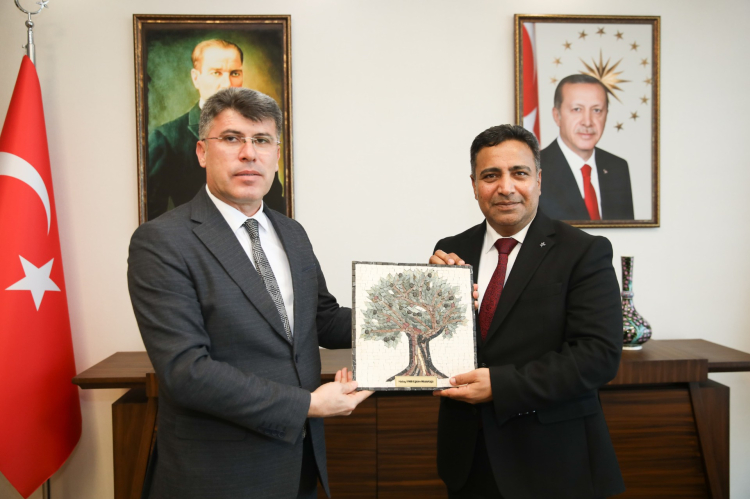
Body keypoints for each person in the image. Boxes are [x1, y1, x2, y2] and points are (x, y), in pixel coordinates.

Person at [128, 87, 371, 499]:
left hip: (299, 465)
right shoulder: (162, 241)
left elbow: (323, 320)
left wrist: (415, 311)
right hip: (217, 475)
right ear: (202, 151)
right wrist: (308, 405)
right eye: (232, 138)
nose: (248, 153)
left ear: (276, 154)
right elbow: (186, 372)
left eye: (261, 140)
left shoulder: (292, 233)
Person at [430, 124, 625, 498]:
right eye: (491, 175)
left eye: (518, 173)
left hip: (553, 463)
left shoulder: (584, 252)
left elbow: (598, 356)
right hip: (469, 460)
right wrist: (432, 300)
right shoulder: (452, 250)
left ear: (538, 180)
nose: (505, 187)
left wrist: (501, 386)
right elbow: (439, 346)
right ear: (474, 185)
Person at [146, 38, 285, 220]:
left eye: (234, 73)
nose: (227, 83)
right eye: (216, 73)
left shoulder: (261, 134)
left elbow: (275, 208)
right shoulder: (165, 138)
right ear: (196, 78)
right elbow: (154, 218)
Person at [539, 74, 634, 221]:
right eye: (577, 109)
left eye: (597, 110)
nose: (588, 122)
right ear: (557, 116)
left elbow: (628, 232)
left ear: (606, 115)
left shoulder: (618, 167)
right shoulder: (535, 169)